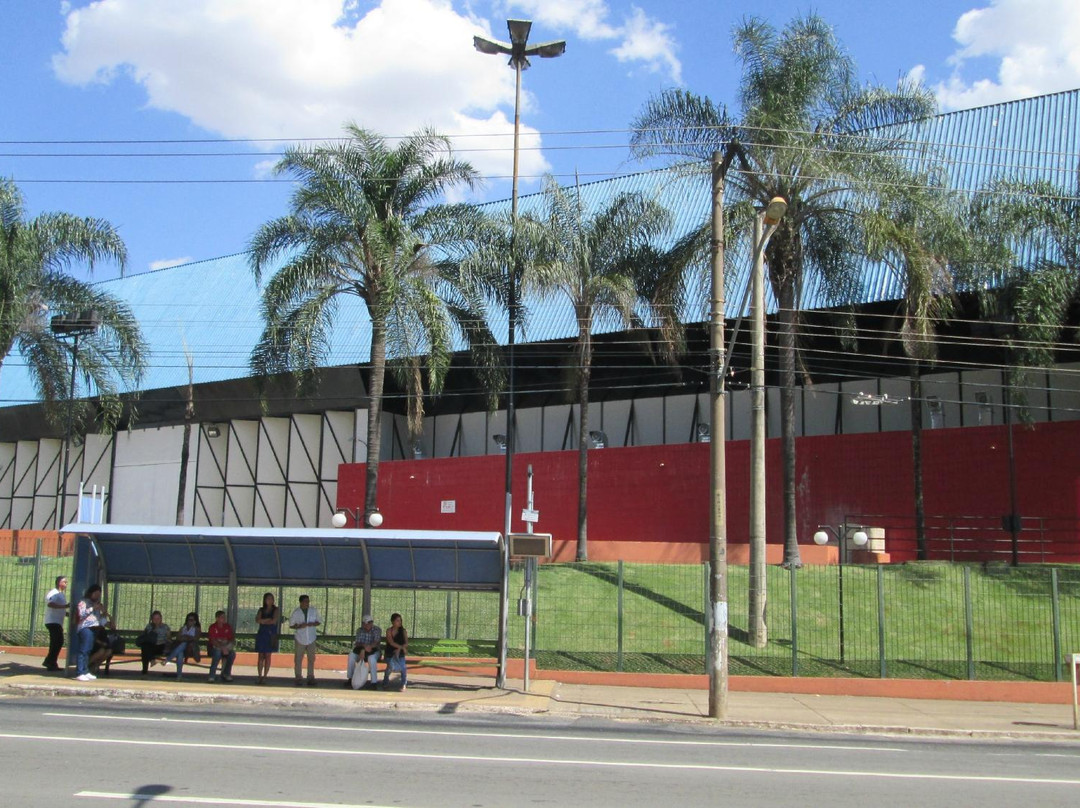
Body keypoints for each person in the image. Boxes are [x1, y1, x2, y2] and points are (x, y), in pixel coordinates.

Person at [74, 584, 107, 681]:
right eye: (96, 594)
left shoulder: (96, 603)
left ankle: (85, 670)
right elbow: (81, 614)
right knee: (83, 650)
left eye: (99, 594)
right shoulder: (83, 602)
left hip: (94, 628)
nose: (97, 596)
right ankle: (79, 672)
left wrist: (103, 613)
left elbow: (98, 619)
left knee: (88, 650)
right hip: (85, 628)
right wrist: (93, 608)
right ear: (91, 593)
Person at [289, 594, 321, 686]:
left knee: (311, 658)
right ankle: (298, 676)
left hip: (311, 637)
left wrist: (312, 624)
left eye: (308, 601)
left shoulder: (313, 611)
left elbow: (319, 621)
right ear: (301, 602)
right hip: (300, 638)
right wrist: (299, 626)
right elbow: (291, 625)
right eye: (305, 601)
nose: (307, 603)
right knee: (298, 659)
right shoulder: (296, 612)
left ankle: (310, 676)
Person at [345, 614, 381, 690]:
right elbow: (357, 643)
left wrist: (368, 647)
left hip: (374, 651)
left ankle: (374, 682)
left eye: (368, 623)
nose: (366, 625)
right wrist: (364, 648)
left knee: (371, 659)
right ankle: (350, 678)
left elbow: (376, 642)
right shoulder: (359, 630)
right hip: (361, 651)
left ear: (372, 623)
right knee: (351, 656)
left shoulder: (377, 630)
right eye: (364, 623)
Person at [42, 575, 69, 671]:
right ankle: (50, 661)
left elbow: (59, 608)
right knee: (57, 641)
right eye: (64, 582)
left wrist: (66, 613)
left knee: (57, 642)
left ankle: (50, 661)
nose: (66, 584)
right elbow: (50, 604)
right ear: (59, 583)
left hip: (57, 621)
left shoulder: (61, 594)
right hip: (52, 621)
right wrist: (65, 606)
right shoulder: (54, 593)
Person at [164, 611, 201, 678]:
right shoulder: (183, 628)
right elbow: (178, 638)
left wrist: (186, 637)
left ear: (195, 621)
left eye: (191, 620)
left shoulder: (196, 629)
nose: (189, 621)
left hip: (190, 649)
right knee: (180, 653)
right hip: (181, 648)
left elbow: (195, 638)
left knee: (184, 644)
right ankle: (179, 675)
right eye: (188, 620)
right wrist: (186, 637)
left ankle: (168, 659)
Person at [254, 592, 280, 685]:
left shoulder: (276, 609)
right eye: (268, 598)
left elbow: (273, 621)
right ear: (265, 600)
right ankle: (259, 675)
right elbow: (257, 620)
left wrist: (263, 621)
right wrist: (266, 620)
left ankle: (265, 676)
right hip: (262, 633)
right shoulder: (261, 609)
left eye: (272, 599)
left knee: (268, 655)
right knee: (260, 655)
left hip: (270, 634)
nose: (270, 600)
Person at [206, 610, 237, 682]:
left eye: (225, 617)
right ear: (217, 618)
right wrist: (222, 647)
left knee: (232, 654)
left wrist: (227, 646)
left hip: (225, 648)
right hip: (214, 648)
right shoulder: (213, 627)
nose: (224, 619)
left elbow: (231, 639)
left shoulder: (227, 627)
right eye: (222, 617)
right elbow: (213, 641)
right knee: (217, 653)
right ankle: (212, 675)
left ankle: (226, 673)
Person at [382, 612, 408, 691]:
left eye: (400, 620)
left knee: (403, 667)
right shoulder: (389, 631)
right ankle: (385, 681)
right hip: (390, 653)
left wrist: (399, 649)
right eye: (397, 620)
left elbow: (406, 643)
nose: (399, 622)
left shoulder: (403, 631)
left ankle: (403, 684)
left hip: (400, 654)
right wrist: (401, 647)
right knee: (390, 667)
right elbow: (391, 642)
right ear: (392, 622)